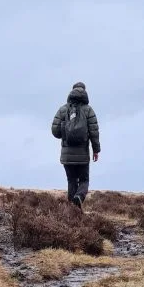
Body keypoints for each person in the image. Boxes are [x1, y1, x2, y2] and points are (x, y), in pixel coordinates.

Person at [51, 81, 100, 209]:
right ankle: (79, 198)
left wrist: (65, 131)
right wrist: (96, 150)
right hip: (83, 154)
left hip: (67, 155)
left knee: (71, 181)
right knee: (84, 180)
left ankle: (72, 212)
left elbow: (55, 131)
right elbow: (94, 132)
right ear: (84, 92)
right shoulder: (89, 110)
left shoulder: (63, 109)